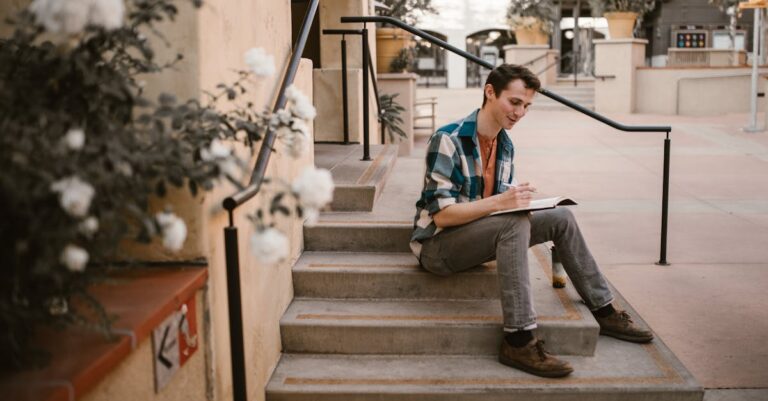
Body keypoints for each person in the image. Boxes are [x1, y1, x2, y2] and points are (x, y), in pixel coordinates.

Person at [410, 64, 653, 378]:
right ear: (489, 92)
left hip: (476, 236)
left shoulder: (505, 144)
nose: (520, 113)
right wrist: (502, 203)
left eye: (526, 106)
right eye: (514, 102)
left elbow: (495, 208)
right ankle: (519, 339)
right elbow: (443, 215)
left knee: (561, 216)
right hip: (438, 247)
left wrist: (518, 202)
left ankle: (604, 310)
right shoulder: (448, 139)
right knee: (514, 223)